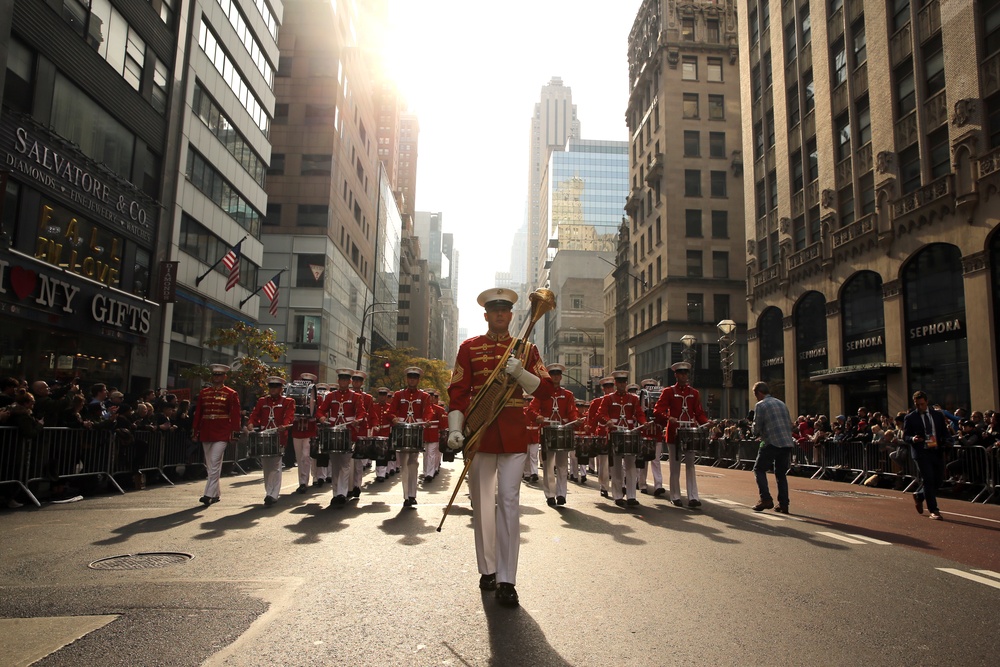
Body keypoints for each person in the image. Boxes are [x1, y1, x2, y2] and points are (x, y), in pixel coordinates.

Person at [446, 287, 553, 607]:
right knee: (482, 505)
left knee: (508, 502)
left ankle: (507, 578)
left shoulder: (527, 350)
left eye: (505, 311)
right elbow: (458, 393)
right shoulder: (469, 347)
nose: (500, 316)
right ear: (486, 316)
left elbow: (546, 390)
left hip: (512, 434)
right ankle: (488, 568)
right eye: (494, 311)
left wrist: (520, 373)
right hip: (479, 435)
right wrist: (454, 429)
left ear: (511, 315)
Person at [653, 362, 710, 508]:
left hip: (689, 432)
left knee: (691, 465)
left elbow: (699, 413)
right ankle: (675, 496)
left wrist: (707, 422)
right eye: (681, 373)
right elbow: (658, 411)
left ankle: (693, 497)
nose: (684, 376)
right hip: (674, 432)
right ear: (676, 375)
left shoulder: (694, 393)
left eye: (686, 373)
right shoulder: (668, 392)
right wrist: (668, 418)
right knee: (675, 466)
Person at [528, 363, 579, 506]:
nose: (556, 377)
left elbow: (572, 411)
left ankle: (562, 494)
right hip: (547, 433)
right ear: (549, 377)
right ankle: (550, 494)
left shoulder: (568, 395)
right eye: (553, 375)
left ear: (561, 377)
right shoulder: (542, 394)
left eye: (558, 374)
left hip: (563, 432)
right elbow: (531, 410)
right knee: (548, 465)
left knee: (562, 465)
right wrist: (537, 417)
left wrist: (576, 420)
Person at [191, 364, 242, 506]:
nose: (217, 378)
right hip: (206, 431)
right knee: (210, 465)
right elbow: (198, 414)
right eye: (215, 375)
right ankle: (216, 493)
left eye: (219, 375)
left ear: (225, 377)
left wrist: (234, 433)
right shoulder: (204, 393)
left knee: (214, 463)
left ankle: (208, 494)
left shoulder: (231, 393)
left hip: (222, 431)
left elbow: (235, 415)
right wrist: (195, 431)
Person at [316, 370, 367, 507]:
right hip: (333, 432)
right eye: (341, 380)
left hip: (348, 433)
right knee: (335, 465)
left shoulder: (356, 396)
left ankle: (341, 494)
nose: (344, 382)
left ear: (349, 382)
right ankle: (335, 493)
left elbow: (361, 411)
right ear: (338, 381)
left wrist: (358, 420)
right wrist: (321, 417)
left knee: (345, 465)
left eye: (346, 380)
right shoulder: (331, 396)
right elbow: (321, 410)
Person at [386, 366, 433, 508]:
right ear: (407, 379)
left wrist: (428, 420)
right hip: (402, 430)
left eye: (415, 378)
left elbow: (428, 411)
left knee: (414, 464)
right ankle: (407, 495)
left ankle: (413, 494)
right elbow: (391, 410)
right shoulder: (399, 395)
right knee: (404, 465)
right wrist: (393, 418)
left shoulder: (424, 396)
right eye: (410, 377)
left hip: (416, 431)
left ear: (418, 380)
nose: (412, 380)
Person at [599, 370, 647, 508]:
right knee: (616, 467)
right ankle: (618, 495)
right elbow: (601, 413)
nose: (621, 384)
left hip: (630, 433)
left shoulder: (633, 398)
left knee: (631, 465)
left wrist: (643, 422)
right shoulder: (608, 399)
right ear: (615, 383)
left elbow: (639, 413)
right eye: (619, 382)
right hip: (614, 433)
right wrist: (607, 421)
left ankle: (632, 495)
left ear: (626, 383)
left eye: (623, 382)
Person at [246, 377, 295, 506]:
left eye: (276, 387)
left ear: (281, 389)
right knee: (266, 465)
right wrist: (251, 423)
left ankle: (273, 494)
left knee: (276, 465)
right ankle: (269, 491)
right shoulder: (262, 401)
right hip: (264, 436)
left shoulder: (288, 401)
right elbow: (255, 415)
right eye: (271, 387)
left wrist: (284, 425)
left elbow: (289, 416)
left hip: (278, 437)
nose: (273, 389)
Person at [749, 381, 795, 513]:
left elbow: (757, 428)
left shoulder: (761, 405)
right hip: (786, 442)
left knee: (759, 469)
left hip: (771, 441)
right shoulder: (781, 403)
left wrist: (752, 428)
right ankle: (784, 503)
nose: (756, 397)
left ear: (759, 393)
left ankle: (766, 498)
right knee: (781, 473)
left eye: (755, 394)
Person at [903, 390, 949, 520]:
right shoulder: (910, 417)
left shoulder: (937, 415)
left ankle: (920, 496)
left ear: (927, 402)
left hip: (936, 450)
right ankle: (933, 510)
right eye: (917, 405)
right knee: (928, 479)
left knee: (938, 480)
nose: (920, 407)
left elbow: (944, 432)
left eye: (922, 404)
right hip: (921, 452)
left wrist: (948, 440)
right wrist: (913, 439)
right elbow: (905, 436)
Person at [288, 372, 320, 493]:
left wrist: (314, 416)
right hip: (297, 430)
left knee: (306, 456)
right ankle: (302, 481)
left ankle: (305, 481)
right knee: (299, 457)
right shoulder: (294, 397)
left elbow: (319, 412)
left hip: (309, 431)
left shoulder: (316, 397)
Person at [586, 377, 615, 497]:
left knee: (617, 462)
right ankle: (604, 486)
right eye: (606, 387)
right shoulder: (596, 402)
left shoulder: (617, 400)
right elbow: (591, 419)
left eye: (611, 387)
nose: (609, 389)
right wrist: (591, 433)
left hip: (615, 433)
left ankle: (618, 486)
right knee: (603, 463)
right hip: (602, 433)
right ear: (603, 389)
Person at [350, 371, 375, 496]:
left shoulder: (367, 398)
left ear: (362, 383)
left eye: (359, 381)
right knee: (347, 461)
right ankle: (348, 487)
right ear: (351, 382)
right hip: (348, 430)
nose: (356, 383)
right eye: (354, 381)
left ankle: (356, 486)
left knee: (358, 462)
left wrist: (374, 425)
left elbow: (371, 413)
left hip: (361, 430)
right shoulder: (347, 395)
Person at [370, 387, 393, 482]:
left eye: (384, 395)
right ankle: (379, 472)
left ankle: (382, 474)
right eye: (381, 395)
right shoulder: (374, 406)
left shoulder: (390, 407)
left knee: (384, 453)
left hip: (386, 432)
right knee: (377, 453)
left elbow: (392, 418)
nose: (382, 397)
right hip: (376, 431)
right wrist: (374, 425)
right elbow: (371, 417)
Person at [423, 389, 447, 482]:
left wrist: (440, 433)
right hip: (424, 433)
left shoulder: (439, 409)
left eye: (432, 396)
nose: (431, 398)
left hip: (434, 434)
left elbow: (442, 424)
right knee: (426, 454)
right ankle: (426, 472)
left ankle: (429, 473)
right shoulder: (423, 408)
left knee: (431, 454)